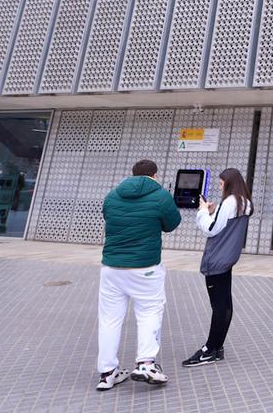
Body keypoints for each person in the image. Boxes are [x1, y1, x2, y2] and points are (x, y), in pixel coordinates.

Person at [96, 159, 181, 391]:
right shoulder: (161, 195)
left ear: (132, 174)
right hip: (145, 267)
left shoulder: (112, 195)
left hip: (112, 267)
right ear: (153, 175)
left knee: (109, 319)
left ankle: (107, 372)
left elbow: (108, 218)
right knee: (149, 311)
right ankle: (145, 364)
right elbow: (172, 223)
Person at [183, 168, 254, 368]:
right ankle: (217, 348)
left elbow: (211, 229)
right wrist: (215, 212)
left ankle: (209, 350)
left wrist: (203, 211)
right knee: (225, 305)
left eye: (222, 183)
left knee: (218, 306)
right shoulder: (244, 203)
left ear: (230, 183)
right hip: (229, 259)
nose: (220, 186)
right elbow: (225, 224)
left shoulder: (230, 201)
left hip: (217, 259)